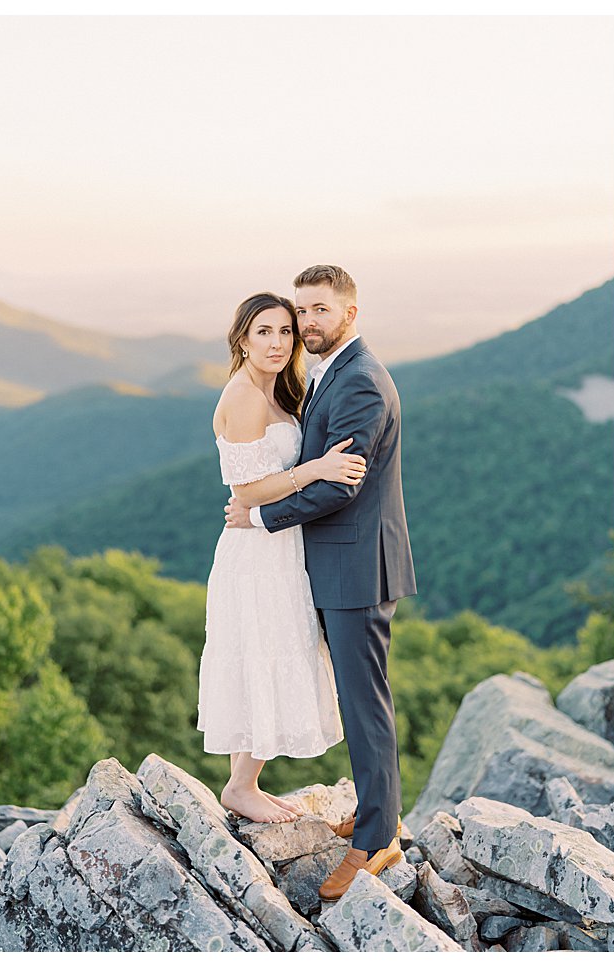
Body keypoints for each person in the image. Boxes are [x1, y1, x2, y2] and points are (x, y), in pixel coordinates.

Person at [224, 265, 416, 902]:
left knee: (365, 704)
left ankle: (375, 841)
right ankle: (374, 819)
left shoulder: (359, 382)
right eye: (299, 311)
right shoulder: (331, 373)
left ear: (350, 314)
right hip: (336, 564)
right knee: (363, 700)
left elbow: (340, 483)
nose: (307, 323)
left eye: (318, 312)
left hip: (355, 567)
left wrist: (260, 515)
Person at [201, 291, 364, 824]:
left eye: (285, 332)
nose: (276, 343)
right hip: (256, 551)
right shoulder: (245, 395)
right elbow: (245, 490)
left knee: (270, 649)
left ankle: (244, 781)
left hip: (277, 545)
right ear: (242, 339)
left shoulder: (277, 391)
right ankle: (242, 786)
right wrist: (315, 470)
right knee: (262, 651)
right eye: (263, 332)